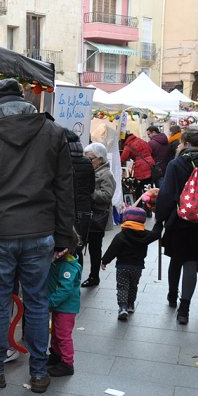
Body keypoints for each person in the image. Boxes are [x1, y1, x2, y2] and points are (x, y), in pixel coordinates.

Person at [0, 79, 76, 394]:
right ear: (23, 97)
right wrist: (65, 234)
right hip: (40, 231)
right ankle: (39, 372)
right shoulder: (52, 132)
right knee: (38, 302)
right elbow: (65, 188)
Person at [156, 130, 198, 324]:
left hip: (179, 220)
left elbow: (166, 194)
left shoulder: (176, 164)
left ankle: (171, 296)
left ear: (184, 143)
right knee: (192, 263)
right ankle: (184, 310)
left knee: (176, 260)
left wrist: (160, 219)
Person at [99, 207, 162, 320]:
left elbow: (112, 250)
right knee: (133, 286)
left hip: (122, 267)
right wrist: (159, 221)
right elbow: (156, 234)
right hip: (137, 268)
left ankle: (123, 307)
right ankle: (130, 305)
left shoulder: (120, 236)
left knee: (122, 287)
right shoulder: (146, 235)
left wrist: (104, 261)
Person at [81, 142, 117, 287]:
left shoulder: (106, 174)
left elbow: (106, 196)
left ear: (100, 159)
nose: (88, 162)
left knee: (95, 250)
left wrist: (89, 192)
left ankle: (94, 277)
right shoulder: (93, 171)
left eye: (91, 159)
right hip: (87, 216)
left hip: (97, 218)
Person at [45, 251, 82, 377]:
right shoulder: (59, 262)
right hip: (59, 306)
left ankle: (67, 363)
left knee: (63, 335)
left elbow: (65, 289)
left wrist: (50, 302)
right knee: (56, 332)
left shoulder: (68, 266)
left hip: (66, 308)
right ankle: (56, 355)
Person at [67, 129, 95, 266]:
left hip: (68, 210)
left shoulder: (63, 161)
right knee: (78, 246)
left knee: (65, 246)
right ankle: (75, 280)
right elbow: (91, 188)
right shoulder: (87, 162)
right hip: (84, 209)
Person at [120, 132, 157, 205]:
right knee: (149, 188)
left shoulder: (128, 146)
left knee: (138, 189)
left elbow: (122, 159)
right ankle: (150, 207)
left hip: (141, 168)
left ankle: (139, 206)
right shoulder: (140, 140)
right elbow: (150, 150)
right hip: (150, 164)